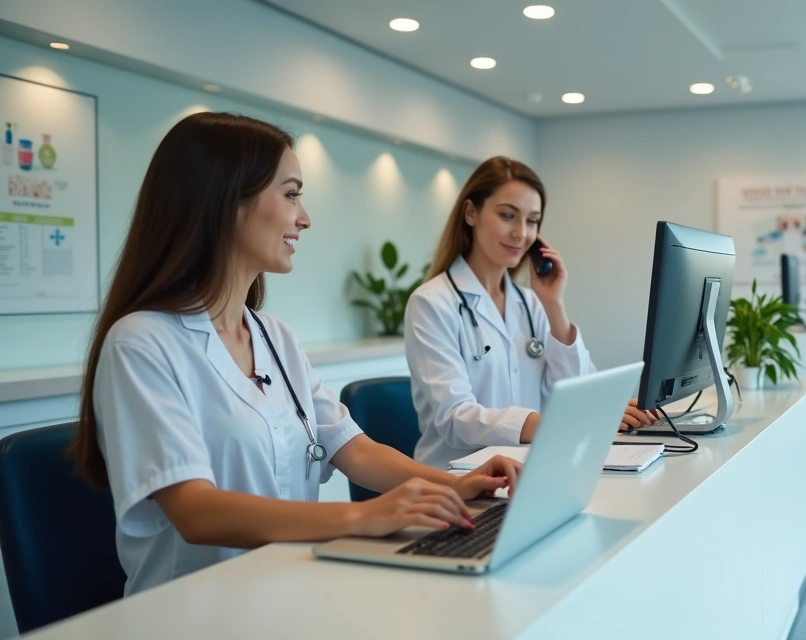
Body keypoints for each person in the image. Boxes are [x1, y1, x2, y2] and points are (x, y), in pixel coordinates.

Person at [70, 113, 521, 596]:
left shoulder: (273, 336)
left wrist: (451, 485)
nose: (304, 217)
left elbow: (352, 448)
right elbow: (194, 511)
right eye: (290, 194)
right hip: (198, 609)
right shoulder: (142, 343)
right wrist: (360, 516)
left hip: (292, 586)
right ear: (224, 201)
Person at [404, 157, 659, 469]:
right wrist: (556, 423)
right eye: (508, 216)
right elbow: (456, 417)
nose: (521, 234)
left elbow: (578, 390)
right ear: (471, 213)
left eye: (532, 221)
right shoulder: (432, 303)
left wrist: (554, 306)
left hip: (531, 471)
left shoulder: (531, 303)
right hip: (456, 481)